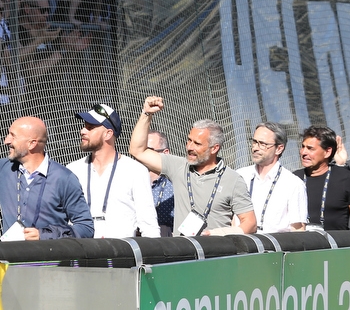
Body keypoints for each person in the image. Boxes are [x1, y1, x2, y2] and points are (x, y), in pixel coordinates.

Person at [0, 99, 94, 240]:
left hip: (49, 265)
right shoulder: (2, 169)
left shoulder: (64, 178)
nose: (6, 141)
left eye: (12, 136)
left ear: (32, 144)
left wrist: (45, 235)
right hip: (12, 264)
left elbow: (86, 228)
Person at [128, 96, 256, 235]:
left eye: (197, 143)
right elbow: (137, 150)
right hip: (183, 254)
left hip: (216, 255)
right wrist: (147, 113)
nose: (189, 147)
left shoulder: (233, 179)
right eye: (189, 140)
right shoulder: (178, 166)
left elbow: (250, 223)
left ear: (214, 148)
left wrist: (216, 234)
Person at [67, 103, 160, 238]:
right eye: (84, 126)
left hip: (121, 255)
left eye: (90, 127)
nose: (82, 131)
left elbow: (148, 224)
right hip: (81, 253)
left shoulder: (135, 171)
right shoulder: (72, 170)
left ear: (108, 134)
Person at [237, 122, 308, 232]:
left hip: (273, 247)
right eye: (254, 142)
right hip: (240, 244)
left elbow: (298, 230)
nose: (255, 148)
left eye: (262, 144)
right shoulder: (240, 176)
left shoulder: (293, 184)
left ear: (279, 149)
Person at [295, 126, 350, 230]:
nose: (303, 152)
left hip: (338, 244)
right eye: (303, 147)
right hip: (303, 244)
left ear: (327, 152)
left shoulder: (345, 178)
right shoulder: (294, 179)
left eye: (310, 148)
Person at [147, 130, 175, 236]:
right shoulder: (131, 180)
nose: (142, 155)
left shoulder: (176, 183)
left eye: (148, 150)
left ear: (165, 153)